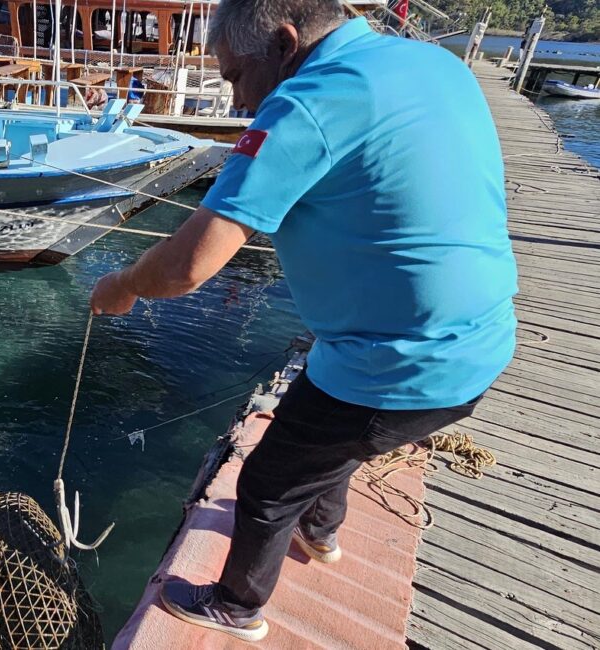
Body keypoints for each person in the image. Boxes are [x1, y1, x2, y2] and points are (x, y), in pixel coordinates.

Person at [89, 0, 517, 642]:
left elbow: (187, 267)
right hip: (483, 341)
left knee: (268, 483)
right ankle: (321, 536)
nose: (236, 102)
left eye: (235, 77)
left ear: (286, 45)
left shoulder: (308, 104)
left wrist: (121, 286)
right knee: (329, 443)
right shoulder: (434, 62)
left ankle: (237, 606)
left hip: (400, 365)